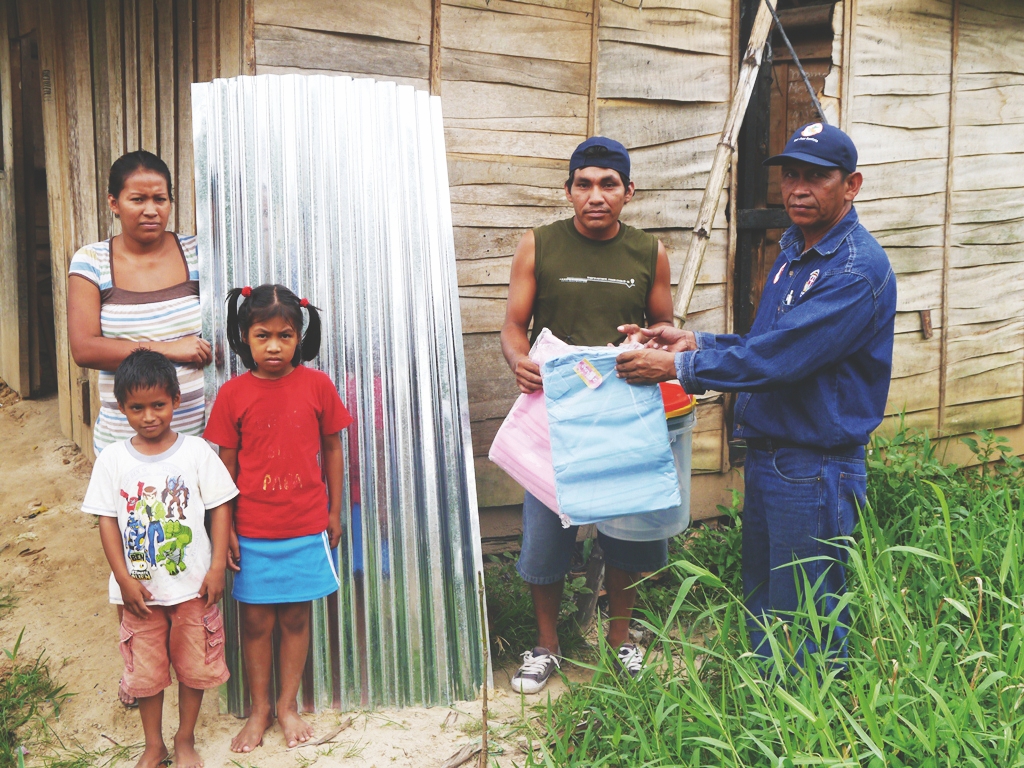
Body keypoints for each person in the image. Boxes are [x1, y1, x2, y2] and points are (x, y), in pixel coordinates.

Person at [615, 122, 896, 666]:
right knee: (765, 605)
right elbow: (769, 344)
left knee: (808, 613)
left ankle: (812, 735)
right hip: (774, 458)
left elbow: (781, 360)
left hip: (815, 466)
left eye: (817, 176)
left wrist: (675, 366)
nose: (798, 188)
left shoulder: (856, 270)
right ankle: (768, 723)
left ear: (852, 185)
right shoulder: (796, 252)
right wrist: (695, 339)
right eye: (790, 174)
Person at [500, 136, 675, 693]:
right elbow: (512, 325)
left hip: (623, 406)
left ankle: (622, 640)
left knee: (625, 529)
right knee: (547, 531)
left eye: (608, 184)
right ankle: (546, 646)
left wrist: (644, 340)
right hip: (555, 407)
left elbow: (664, 331)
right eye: (584, 184)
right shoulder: (539, 245)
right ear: (569, 190)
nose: (595, 196)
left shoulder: (650, 253)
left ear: (628, 192)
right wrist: (518, 360)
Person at [68, 151, 212, 707]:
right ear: (113, 202)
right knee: (137, 556)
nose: (151, 209)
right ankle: (141, 669)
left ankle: (197, 664)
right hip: (125, 442)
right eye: (137, 198)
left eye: (160, 198)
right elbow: (86, 347)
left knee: (192, 550)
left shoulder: (198, 253)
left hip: (196, 435)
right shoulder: (92, 262)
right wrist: (167, 348)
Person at [204, 284, 351, 752]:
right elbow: (224, 470)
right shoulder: (232, 395)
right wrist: (221, 531)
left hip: (305, 528)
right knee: (255, 624)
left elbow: (332, 448)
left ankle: (288, 705)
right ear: (243, 336)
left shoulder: (317, 386)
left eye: (285, 336)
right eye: (262, 335)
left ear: (299, 336)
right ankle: (260, 708)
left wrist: (334, 510)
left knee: (294, 618)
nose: (273, 346)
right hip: (253, 532)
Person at [82, 349, 237, 768]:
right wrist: (123, 578)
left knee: (194, 667)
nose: (149, 416)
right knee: (146, 675)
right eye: (137, 407)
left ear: (175, 400)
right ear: (121, 408)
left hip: (192, 588)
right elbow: (107, 521)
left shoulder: (197, 452)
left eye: (158, 405)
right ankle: (154, 745)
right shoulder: (113, 460)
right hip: (140, 594)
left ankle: (184, 738)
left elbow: (221, 506)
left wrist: (217, 565)